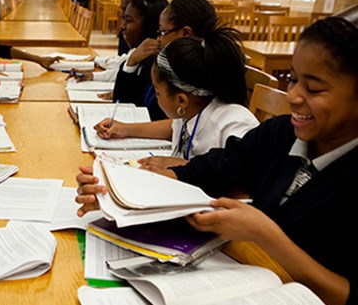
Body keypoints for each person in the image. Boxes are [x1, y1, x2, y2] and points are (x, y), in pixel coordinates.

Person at [75, 16, 358, 305]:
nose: (293, 96)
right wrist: (121, 196)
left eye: (314, 89)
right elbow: (211, 170)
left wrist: (265, 233)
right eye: (294, 79)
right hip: (251, 274)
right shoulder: (282, 134)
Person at [94, 26, 258, 170]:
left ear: (181, 101)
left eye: (157, 92)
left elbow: (241, 178)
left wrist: (181, 165)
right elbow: (173, 127)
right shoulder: (193, 110)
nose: (156, 96)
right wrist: (125, 128)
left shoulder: (234, 125)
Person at [69, 0, 152, 83]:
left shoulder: (151, 51)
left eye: (128, 16)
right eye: (122, 10)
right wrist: (95, 64)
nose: (122, 18)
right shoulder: (128, 35)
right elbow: (121, 63)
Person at [111, 0, 169, 121]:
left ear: (150, 26)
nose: (123, 27)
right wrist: (130, 63)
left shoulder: (163, 66)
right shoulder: (143, 57)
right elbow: (121, 104)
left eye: (129, 20)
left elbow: (149, 114)